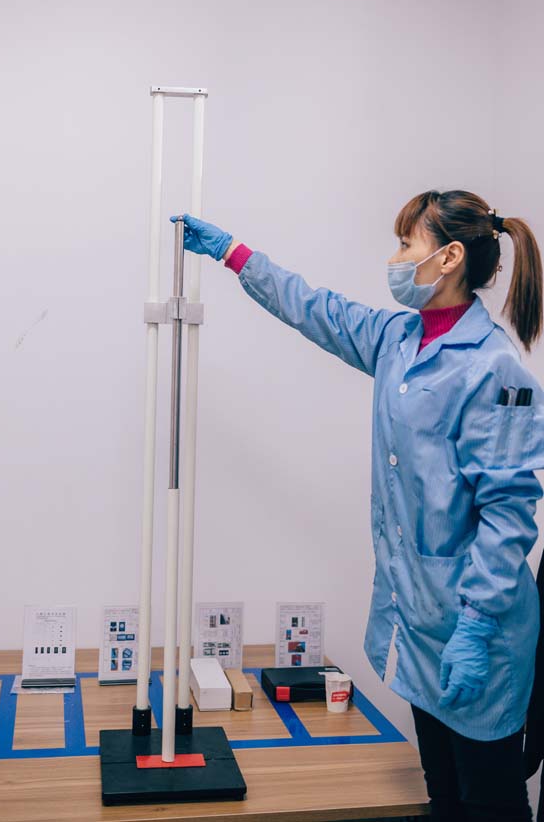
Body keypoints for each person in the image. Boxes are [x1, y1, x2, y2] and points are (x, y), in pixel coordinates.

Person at [171, 189, 544, 821]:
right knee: (443, 795)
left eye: (406, 243)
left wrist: (477, 625)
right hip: (422, 623)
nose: (395, 257)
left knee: (491, 804)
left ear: (449, 257)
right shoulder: (399, 338)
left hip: (478, 631)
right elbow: (315, 309)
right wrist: (234, 254)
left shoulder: (494, 369)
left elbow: (508, 515)